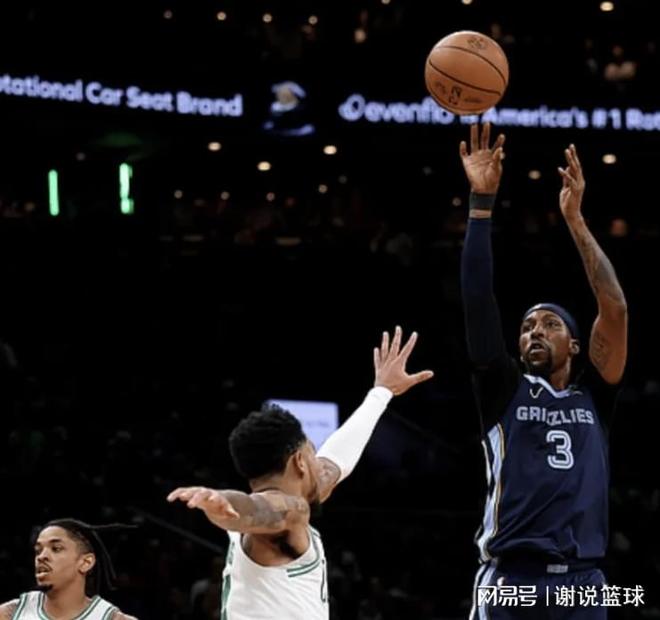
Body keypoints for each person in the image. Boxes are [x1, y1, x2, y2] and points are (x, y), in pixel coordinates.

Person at [459, 123, 627, 618]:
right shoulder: (503, 389)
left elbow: (615, 308)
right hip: (512, 579)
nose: (534, 331)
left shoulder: (593, 395)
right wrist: (481, 204)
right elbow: (477, 298)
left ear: (574, 345)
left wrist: (575, 219)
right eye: (527, 326)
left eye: (550, 324)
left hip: (583, 580)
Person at [168, 327, 433, 620]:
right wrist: (224, 504)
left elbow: (336, 462)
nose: (320, 461)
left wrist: (381, 393)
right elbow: (257, 510)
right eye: (312, 451)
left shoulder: (300, 498)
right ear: (299, 462)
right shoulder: (290, 512)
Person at [0, 519, 137, 620]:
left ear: (86, 562)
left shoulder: (112, 618)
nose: (41, 557)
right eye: (38, 551)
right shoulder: (10, 613)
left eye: (56, 549)